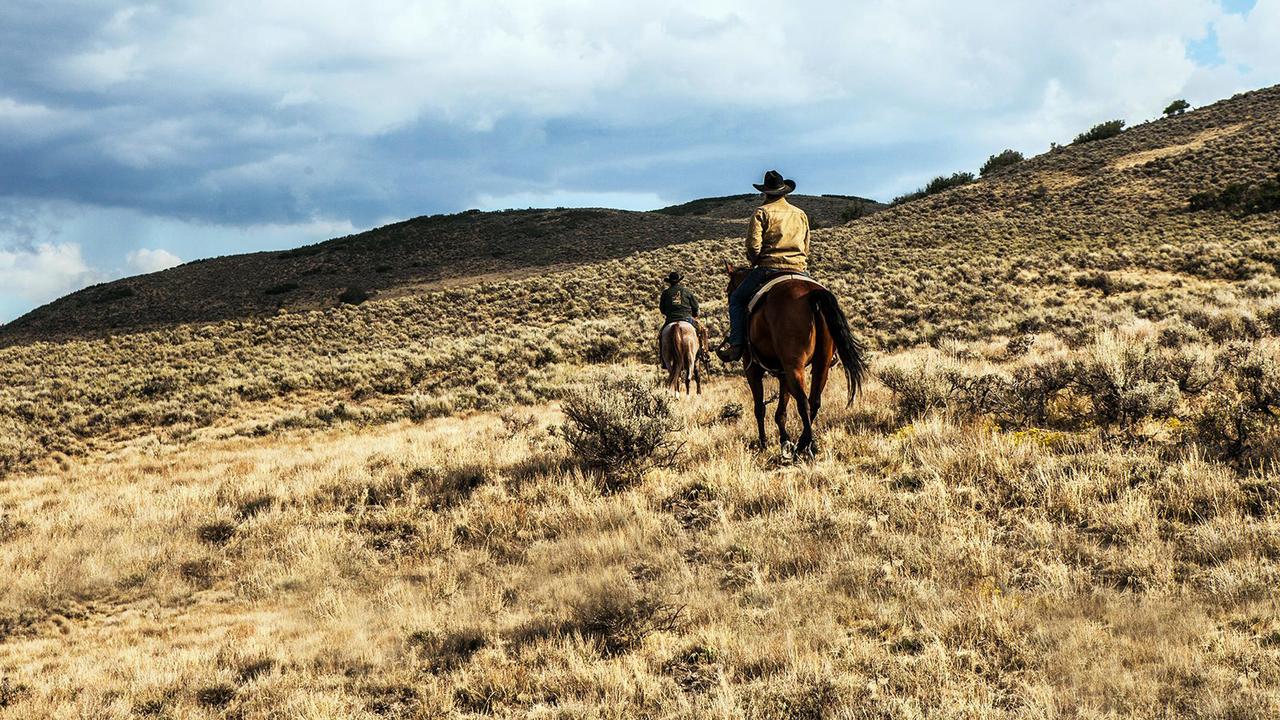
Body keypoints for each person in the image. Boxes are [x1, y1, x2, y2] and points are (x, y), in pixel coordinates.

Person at [715, 170, 811, 362]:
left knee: (737, 299)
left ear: (765, 192)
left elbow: (753, 246)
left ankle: (736, 345)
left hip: (769, 268)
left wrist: (755, 260)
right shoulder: (800, 214)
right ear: (785, 192)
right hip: (799, 269)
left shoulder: (761, 212)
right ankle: (832, 352)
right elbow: (806, 244)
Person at [658, 271, 706, 365]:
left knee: (661, 336)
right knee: (702, 331)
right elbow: (695, 307)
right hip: (687, 318)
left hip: (670, 320)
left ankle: (663, 359)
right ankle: (703, 352)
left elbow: (662, 310)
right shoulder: (687, 291)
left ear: (670, 282)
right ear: (679, 281)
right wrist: (695, 314)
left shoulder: (665, 293)